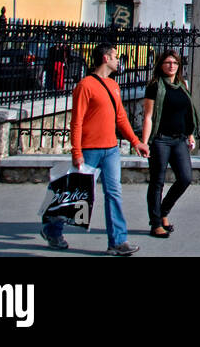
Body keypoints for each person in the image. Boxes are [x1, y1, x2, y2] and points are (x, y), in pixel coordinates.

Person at [42, 44, 148, 254]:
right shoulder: (85, 85)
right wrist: (76, 152)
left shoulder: (113, 85)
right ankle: (52, 230)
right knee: (74, 195)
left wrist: (136, 142)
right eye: (116, 56)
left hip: (111, 150)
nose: (119, 60)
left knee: (114, 193)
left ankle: (118, 241)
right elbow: (77, 121)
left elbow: (120, 117)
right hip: (89, 149)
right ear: (106, 58)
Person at [140, 49, 198, 239]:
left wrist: (190, 134)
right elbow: (148, 116)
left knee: (185, 178)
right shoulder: (155, 86)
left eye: (174, 63)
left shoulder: (182, 85)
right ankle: (155, 223)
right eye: (167, 62)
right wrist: (144, 142)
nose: (171, 66)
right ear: (161, 65)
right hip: (161, 139)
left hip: (179, 138)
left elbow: (187, 112)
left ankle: (163, 211)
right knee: (157, 182)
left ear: (178, 66)